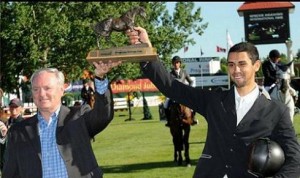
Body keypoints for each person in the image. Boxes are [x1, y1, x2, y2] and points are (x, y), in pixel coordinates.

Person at [126, 27, 300, 178]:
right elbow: (172, 87)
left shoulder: (277, 111)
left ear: (256, 65)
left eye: (242, 64)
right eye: (231, 64)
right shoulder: (215, 100)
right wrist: (145, 50)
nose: (235, 70)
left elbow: (294, 159)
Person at [2, 60, 121, 178]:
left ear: (61, 90)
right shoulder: (17, 131)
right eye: (36, 89)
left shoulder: (79, 117)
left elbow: (103, 114)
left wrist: (99, 78)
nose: (42, 94)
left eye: (47, 88)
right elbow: (11, 173)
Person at [164, 55, 197, 126]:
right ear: (173, 64)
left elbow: (191, 82)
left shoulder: (184, 72)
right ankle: (169, 121)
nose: (176, 64)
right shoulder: (170, 74)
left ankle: (193, 119)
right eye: (175, 63)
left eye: (177, 63)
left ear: (180, 64)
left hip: (183, 93)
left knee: (193, 103)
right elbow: (168, 84)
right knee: (165, 104)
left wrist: (189, 89)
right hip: (174, 94)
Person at [0, 98, 24, 172]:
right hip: (5, 160)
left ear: (21, 109)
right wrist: (3, 136)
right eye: (11, 106)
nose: (13, 108)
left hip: (18, 161)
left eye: (16, 106)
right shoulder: (5, 122)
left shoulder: (24, 124)